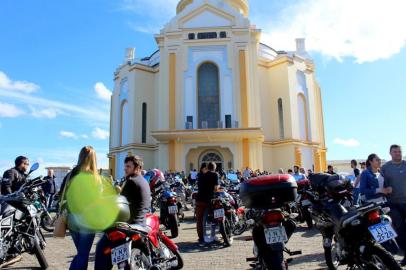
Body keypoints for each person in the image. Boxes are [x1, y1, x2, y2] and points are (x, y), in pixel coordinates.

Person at [95, 155, 151, 270]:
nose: (125, 168)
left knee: (101, 247)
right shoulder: (144, 181)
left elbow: (119, 204)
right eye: (125, 166)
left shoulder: (131, 181)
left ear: (137, 168)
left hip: (128, 225)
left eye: (128, 166)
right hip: (141, 223)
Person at [59, 146, 101, 270]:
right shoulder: (94, 177)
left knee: (81, 253)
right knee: (83, 254)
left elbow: (61, 194)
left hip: (71, 217)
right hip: (87, 219)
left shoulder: (70, 174)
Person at [381, 145, 406, 265]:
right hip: (393, 204)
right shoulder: (385, 168)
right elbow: (381, 184)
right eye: (395, 152)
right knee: (400, 230)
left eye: (399, 151)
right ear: (390, 153)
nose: (398, 153)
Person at [196, 162, 220, 243]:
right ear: (214, 167)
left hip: (199, 199)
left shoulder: (201, 175)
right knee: (212, 218)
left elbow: (199, 186)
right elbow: (216, 188)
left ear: (207, 168)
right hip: (209, 199)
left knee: (200, 219)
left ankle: (202, 237)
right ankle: (211, 236)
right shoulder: (215, 174)